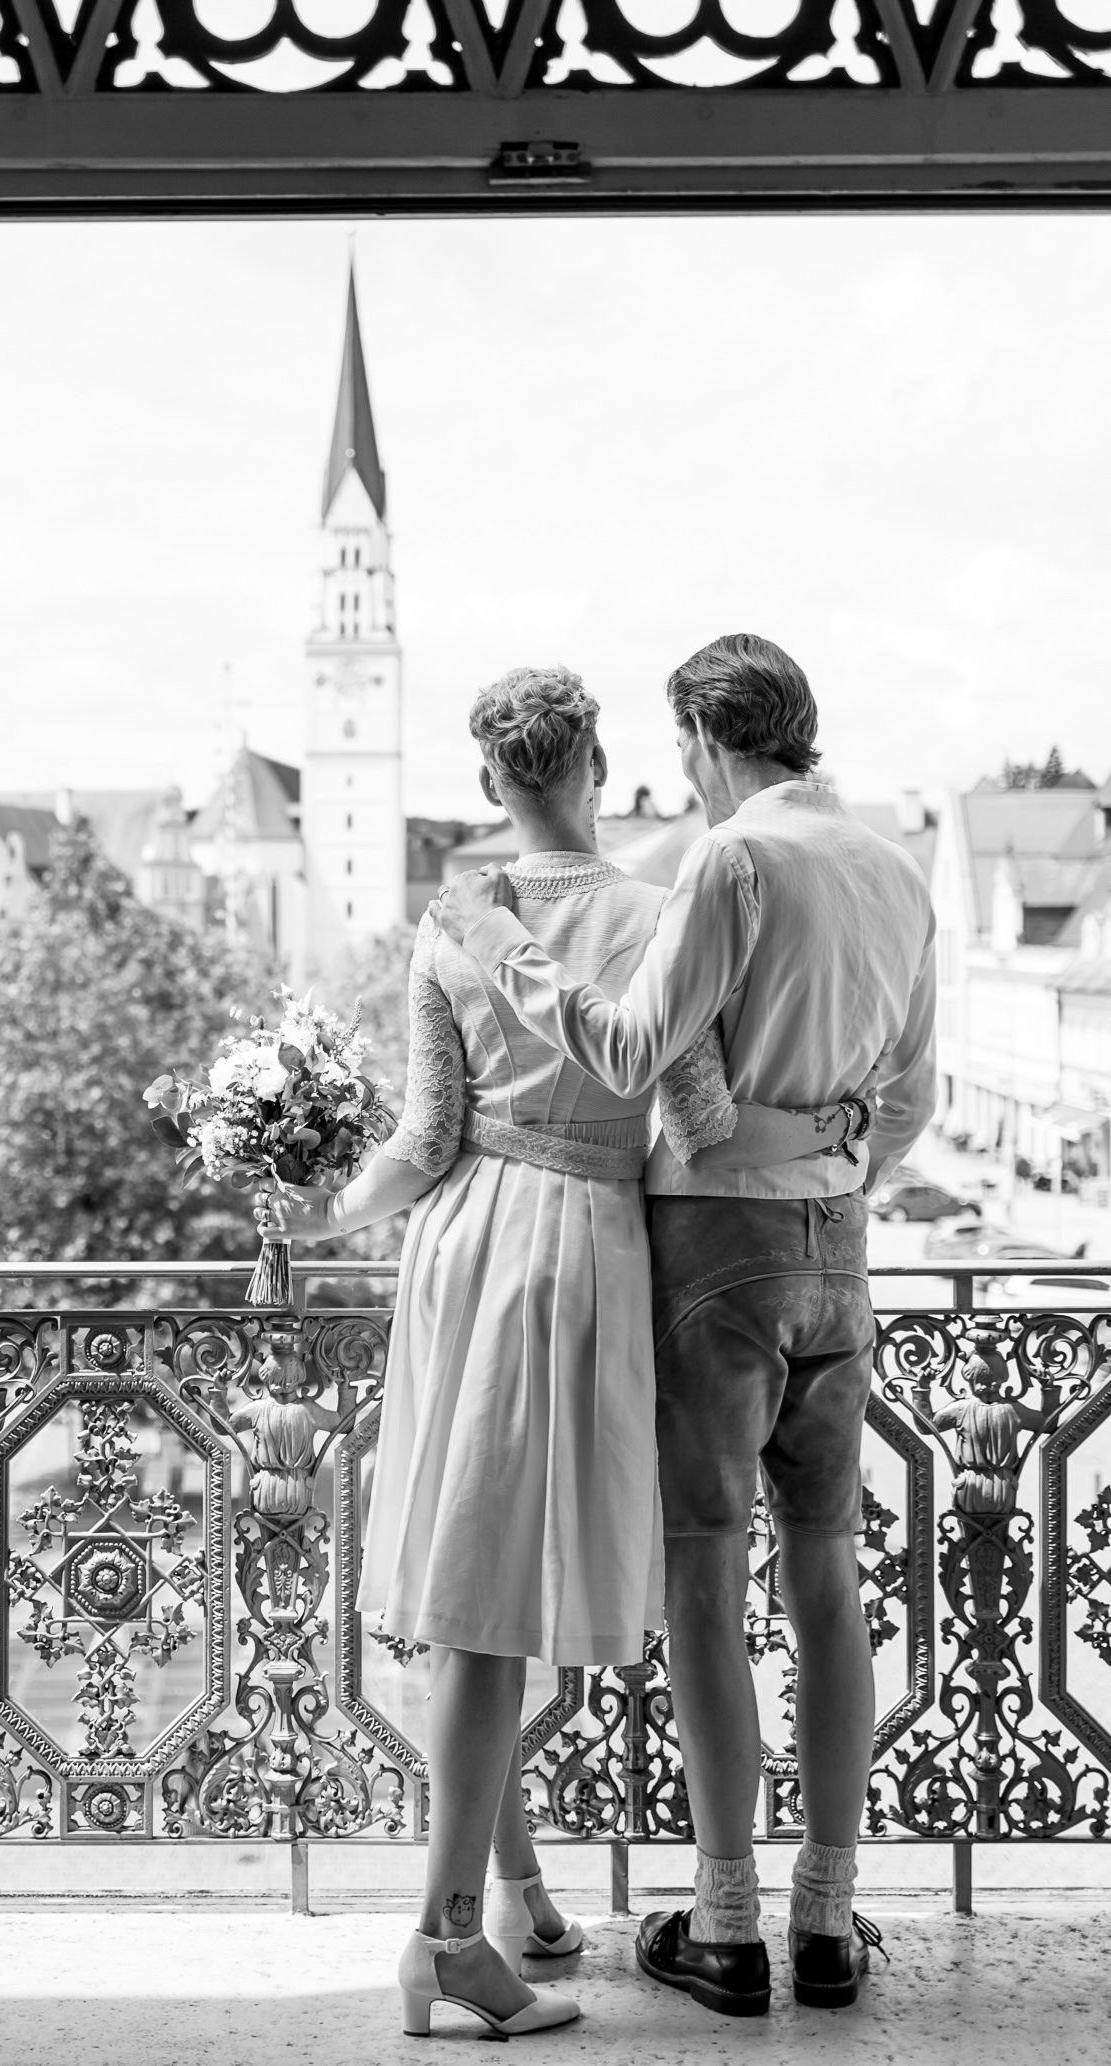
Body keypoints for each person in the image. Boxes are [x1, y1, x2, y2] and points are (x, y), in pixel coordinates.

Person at [268, 664, 867, 2039]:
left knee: (464, 1567)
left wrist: (318, 1207)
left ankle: (522, 1897)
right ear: (598, 764)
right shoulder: (662, 907)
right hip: (591, 1254)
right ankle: (475, 1925)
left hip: (464, 1244)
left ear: (490, 784)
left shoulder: (449, 927)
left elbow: (421, 1142)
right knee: (505, 1583)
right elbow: (702, 1116)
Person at [436, 633, 935, 2019]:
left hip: (718, 1244)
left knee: (708, 1581)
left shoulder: (732, 859)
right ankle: (827, 1919)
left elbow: (628, 1049)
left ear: (709, 744)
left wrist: (495, 940)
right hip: (845, 1249)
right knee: (828, 1580)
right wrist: (830, 1169)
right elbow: (912, 1102)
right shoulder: (898, 865)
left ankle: (726, 1928)